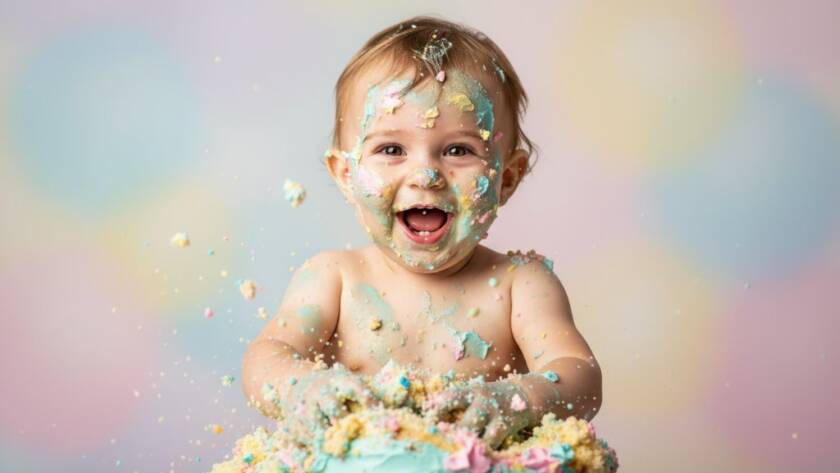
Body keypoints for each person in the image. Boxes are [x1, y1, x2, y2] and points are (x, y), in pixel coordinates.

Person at [241, 16, 602, 450]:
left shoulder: (520, 285)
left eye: (458, 150)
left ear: (507, 178)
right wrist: (302, 387)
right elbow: (265, 359)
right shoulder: (335, 279)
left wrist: (517, 398)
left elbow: (580, 375)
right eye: (391, 149)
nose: (427, 175)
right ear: (345, 175)